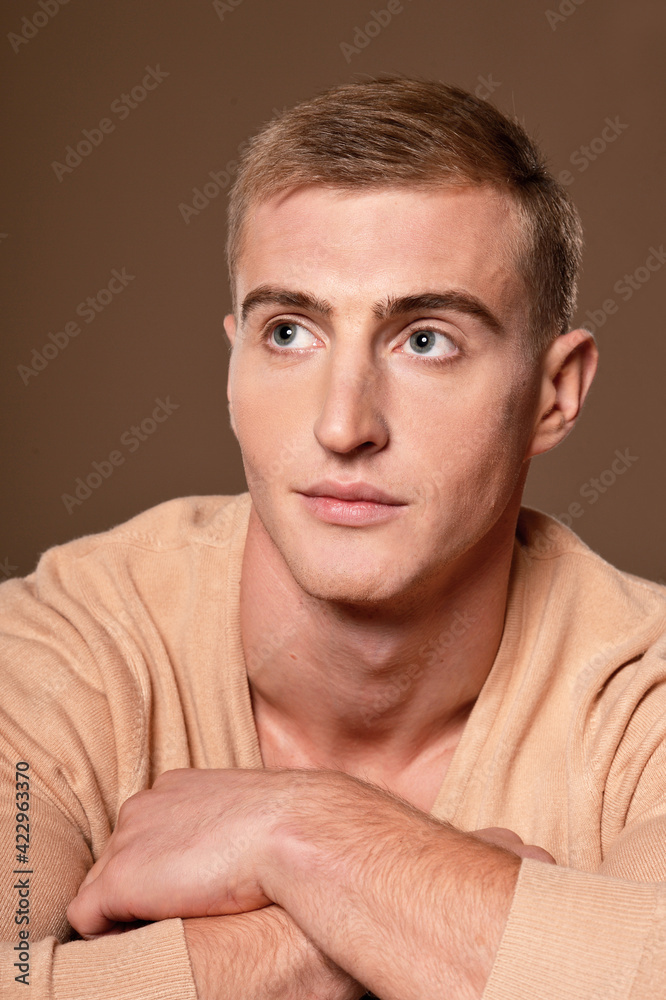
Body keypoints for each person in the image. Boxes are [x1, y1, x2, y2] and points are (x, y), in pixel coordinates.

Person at [1, 76, 665, 1000]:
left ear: (555, 393)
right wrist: (324, 942)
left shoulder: (643, 696)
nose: (345, 425)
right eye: (289, 332)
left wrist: (301, 833)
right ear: (231, 365)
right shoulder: (56, 657)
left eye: (425, 339)